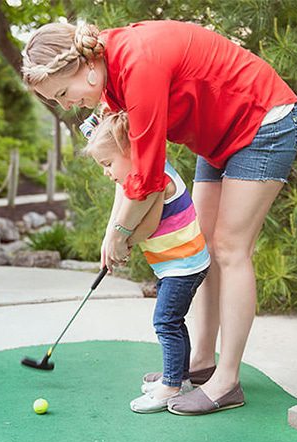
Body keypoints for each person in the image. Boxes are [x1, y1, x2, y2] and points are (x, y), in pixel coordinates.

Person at [22, 19, 297, 415]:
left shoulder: (137, 64)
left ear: (84, 67)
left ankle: (227, 381)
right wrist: (112, 232)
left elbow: (149, 177)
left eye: (63, 94)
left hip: (263, 120)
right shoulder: (110, 85)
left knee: (229, 248)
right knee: (205, 244)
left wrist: (122, 233)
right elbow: (131, 165)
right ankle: (203, 360)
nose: (67, 106)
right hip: (219, 136)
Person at [82, 111, 210, 413]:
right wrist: (117, 243)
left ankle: (170, 386)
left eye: (108, 163)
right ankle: (180, 378)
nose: (106, 172)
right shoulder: (142, 178)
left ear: (129, 151)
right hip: (176, 264)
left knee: (165, 321)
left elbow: (148, 226)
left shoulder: (155, 180)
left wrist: (122, 244)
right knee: (173, 322)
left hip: (183, 265)